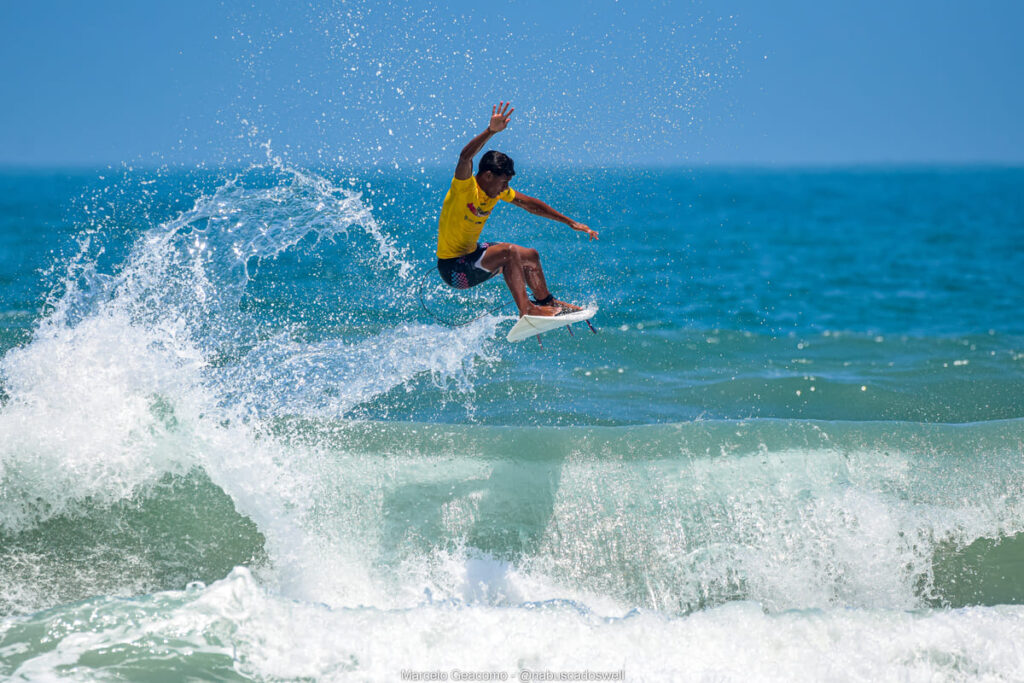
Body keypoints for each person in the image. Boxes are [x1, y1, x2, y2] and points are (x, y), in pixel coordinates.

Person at [436, 102, 598, 317]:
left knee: (530, 255)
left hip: (472, 255)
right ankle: (527, 310)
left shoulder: (497, 191)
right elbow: (465, 157)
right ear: (487, 176)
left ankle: (546, 302)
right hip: (455, 270)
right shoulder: (465, 189)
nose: (506, 188)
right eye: (503, 182)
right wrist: (490, 131)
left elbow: (530, 204)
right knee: (508, 252)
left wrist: (570, 222)